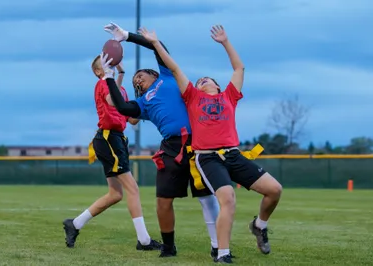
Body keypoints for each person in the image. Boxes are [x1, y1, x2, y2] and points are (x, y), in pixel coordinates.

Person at [136, 25, 283, 263]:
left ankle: (259, 225)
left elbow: (239, 67)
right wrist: (155, 43)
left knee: (275, 190)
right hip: (208, 157)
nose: (202, 81)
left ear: (217, 85)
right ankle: (222, 253)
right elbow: (173, 68)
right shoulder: (193, 96)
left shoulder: (229, 96)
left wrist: (225, 42)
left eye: (206, 79)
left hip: (233, 155)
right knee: (227, 199)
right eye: (199, 80)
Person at [101, 22, 223, 259]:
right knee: (163, 200)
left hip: (197, 143)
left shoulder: (167, 75)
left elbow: (159, 48)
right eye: (134, 80)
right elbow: (124, 107)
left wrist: (127, 36)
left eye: (140, 74)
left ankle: (218, 246)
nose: (137, 79)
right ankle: (168, 247)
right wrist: (108, 77)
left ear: (154, 73)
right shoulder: (143, 103)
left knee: (206, 196)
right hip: (171, 147)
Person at [62, 57, 161, 252]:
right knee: (133, 188)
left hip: (116, 139)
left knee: (115, 194)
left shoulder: (120, 90)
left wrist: (145, 103)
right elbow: (110, 100)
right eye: (106, 65)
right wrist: (118, 76)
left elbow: (131, 119)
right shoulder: (102, 84)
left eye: (112, 64)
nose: (111, 67)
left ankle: (74, 224)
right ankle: (144, 240)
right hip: (108, 139)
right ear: (99, 72)